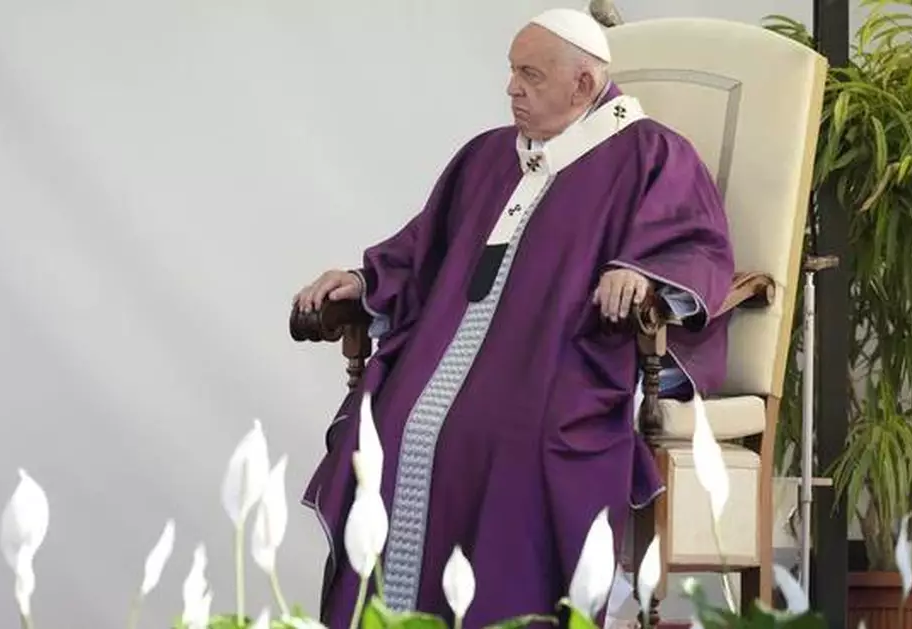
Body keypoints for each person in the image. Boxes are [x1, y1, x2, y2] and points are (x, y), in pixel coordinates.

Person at [294, 8, 735, 627]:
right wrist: (365, 279)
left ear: (583, 85)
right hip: (447, 354)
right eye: (511, 71)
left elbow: (698, 248)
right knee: (386, 427)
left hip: (568, 360)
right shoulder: (487, 157)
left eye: (530, 74)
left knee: (507, 438)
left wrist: (639, 274)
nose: (511, 87)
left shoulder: (652, 154)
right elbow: (423, 249)